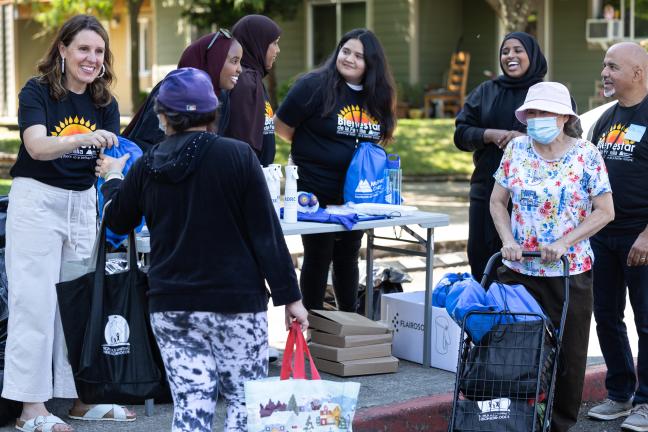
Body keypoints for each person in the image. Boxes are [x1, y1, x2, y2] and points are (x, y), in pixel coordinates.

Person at [96, 67, 309, 432]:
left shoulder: (147, 164)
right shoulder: (239, 156)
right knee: (245, 403)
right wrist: (291, 297)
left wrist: (114, 178)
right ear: (213, 113)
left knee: (192, 406)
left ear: (162, 117)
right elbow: (266, 234)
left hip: (172, 305)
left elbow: (116, 224)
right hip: (236, 303)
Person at [2, 15, 136, 432]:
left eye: (99, 51)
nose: (92, 59)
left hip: (81, 205)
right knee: (35, 305)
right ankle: (30, 409)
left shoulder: (105, 103)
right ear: (62, 49)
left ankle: (80, 399)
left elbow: (107, 161)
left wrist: (112, 166)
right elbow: (37, 146)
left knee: (78, 307)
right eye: (83, 49)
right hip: (37, 202)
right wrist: (82, 138)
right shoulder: (37, 91)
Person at [490, 81, 615, 432]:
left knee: (570, 357)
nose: (536, 118)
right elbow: (498, 201)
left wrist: (565, 242)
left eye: (544, 112)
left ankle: (559, 424)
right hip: (518, 268)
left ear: (563, 117)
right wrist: (507, 239)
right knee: (513, 354)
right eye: (531, 112)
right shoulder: (516, 149)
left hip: (568, 271)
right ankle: (515, 420)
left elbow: (605, 211)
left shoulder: (586, 154)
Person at [274, 28, 396, 311]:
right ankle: (314, 328)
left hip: (356, 193)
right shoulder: (313, 85)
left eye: (359, 56)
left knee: (348, 255)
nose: (349, 59)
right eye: (345, 51)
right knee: (318, 253)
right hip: (315, 189)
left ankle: (347, 325)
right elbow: (282, 125)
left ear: (371, 64)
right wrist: (314, 148)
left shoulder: (377, 95)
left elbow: (378, 136)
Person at [586, 42, 648, 432]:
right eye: (604, 65)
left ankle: (646, 403)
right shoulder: (607, 119)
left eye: (612, 66)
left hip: (640, 238)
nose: (605, 72)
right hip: (603, 236)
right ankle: (621, 394)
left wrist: (647, 234)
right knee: (606, 317)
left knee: (647, 323)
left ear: (637, 74)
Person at [454, 32, 547, 280]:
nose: (510, 56)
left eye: (518, 50)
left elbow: (569, 135)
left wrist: (524, 139)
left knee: (523, 263)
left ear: (533, 55)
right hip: (487, 188)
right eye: (505, 51)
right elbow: (461, 133)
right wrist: (491, 134)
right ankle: (483, 314)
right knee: (481, 257)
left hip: (535, 197)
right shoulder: (486, 91)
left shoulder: (547, 94)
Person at [122, 28, 242, 150]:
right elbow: (145, 143)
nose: (240, 69)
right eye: (234, 61)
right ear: (214, 60)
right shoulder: (172, 90)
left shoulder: (223, 96)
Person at [222, 14, 281, 166]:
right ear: (257, 43)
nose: (278, 50)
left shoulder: (253, 78)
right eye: (274, 43)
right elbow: (243, 143)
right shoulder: (245, 81)